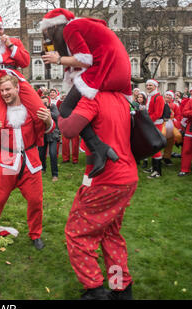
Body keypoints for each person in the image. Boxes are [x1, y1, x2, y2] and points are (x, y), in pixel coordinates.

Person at [58, 91, 138, 300]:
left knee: (78, 233)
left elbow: (67, 128)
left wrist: (66, 104)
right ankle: (121, 287)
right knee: (110, 233)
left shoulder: (93, 98)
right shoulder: (120, 97)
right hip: (126, 176)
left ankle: (94, 289)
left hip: (106, 180)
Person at [40, 8, 131, 177]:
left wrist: (58, 59)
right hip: (118, 68)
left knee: (66, 109)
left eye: (47, 32)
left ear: (54, 27)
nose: (47, 37)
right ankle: (98, 148)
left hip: (106, 67)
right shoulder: (81, 26)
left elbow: (86, 60)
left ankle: (99, 148)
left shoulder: (70, 28)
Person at [0, 75, 54, 250]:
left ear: (17, 88)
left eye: (8, 89)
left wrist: (48, 119)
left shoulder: (30, 108)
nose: (5, 93)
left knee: (36, 200)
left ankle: (35, 234)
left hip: (31, 160)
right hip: (8, 161)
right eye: (2, 91)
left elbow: (48, 129)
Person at [0, 13, 46, 129]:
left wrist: (10, 46)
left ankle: (34, 144)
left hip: (15, 79)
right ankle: (0, 146)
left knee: (41, 111)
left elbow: (25, 62)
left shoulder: (14, 42)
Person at [142, 79, 165, 179]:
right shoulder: (150, 96)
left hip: (155, 125)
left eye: (150, 85)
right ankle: (154, 167)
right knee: (152, 147)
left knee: (156, 147)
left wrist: (147, 120)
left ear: (155, 86)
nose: (148, 87)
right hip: (151, 124)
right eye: (147, 85)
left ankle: (158, 171)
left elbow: (158, 113)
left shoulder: (158, 97)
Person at [38, 95, 60, 182]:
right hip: (43, 134)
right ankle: (43, 168)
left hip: (53, 134)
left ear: (49, 102)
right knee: (41, 154)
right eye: (42, 102)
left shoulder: (53, 107)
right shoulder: (39, 108)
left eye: (45, 102)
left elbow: (57, 116)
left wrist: (47, 112)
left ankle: (55, 174)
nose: (44, 104)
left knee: (53, 153)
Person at [178, 97, 192, 176]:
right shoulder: (191, 101)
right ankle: (185, 169)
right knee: (187, 149)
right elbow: (184, 112)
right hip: (190, 129)